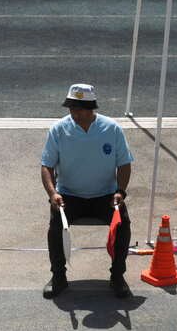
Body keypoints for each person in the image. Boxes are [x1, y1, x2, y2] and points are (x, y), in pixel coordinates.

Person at [40, 84, 133, 298]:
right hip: (69, 196)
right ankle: (59, 276)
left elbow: (125, 163)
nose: (74, 113)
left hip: (105, 195)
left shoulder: (112, 128)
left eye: (79, 109)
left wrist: (120, 191)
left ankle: (117, 276)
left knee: (123, 223)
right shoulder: (58, 129)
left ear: (91, 108)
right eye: (71, 109)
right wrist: (53, 194)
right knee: (55, 226)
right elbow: (47, 166)